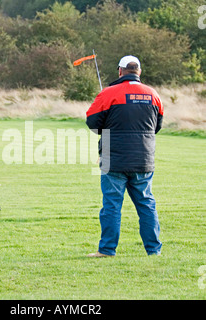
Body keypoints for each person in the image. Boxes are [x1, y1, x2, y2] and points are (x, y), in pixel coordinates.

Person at [86, 55, 163, 257]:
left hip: (114, 159)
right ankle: (154, 251)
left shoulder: (108, 93)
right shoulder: (153, 94)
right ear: (139, 72)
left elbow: (92, 123)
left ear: (120, 71)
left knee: (111, 205)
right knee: (146, 205)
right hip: (144, 159)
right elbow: (157, 127)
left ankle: (107, 250)